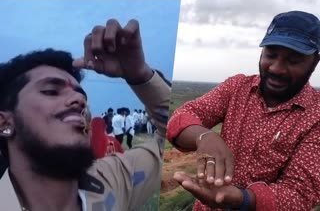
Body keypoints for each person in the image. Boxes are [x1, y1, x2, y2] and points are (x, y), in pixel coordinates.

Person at [0, 19, 170, 211]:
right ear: (4, 123)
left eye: (82, 95)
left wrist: (140, 74)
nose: (79, 100)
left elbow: (174, 145)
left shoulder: (112, 182)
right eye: (51, 91)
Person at [167, 11, 320, 210]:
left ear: (315, 62)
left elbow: (298, 194)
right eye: (271, 54)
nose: (276, 68)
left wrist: (241, 199)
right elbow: (182, 117)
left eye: (293, 61)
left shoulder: (316, 115)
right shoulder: (237, 87)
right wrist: (204, 137)